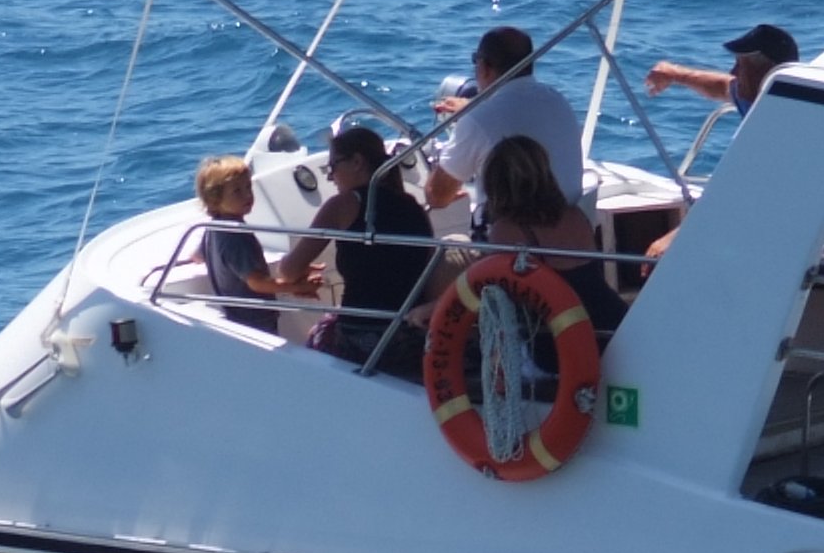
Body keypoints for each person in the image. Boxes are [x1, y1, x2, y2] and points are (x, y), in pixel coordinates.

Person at [286, 123, 434, 374]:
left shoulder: (343, 205)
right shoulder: (412, 206)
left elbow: (288, 269)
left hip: (364, 336)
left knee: (314, 339)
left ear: (357, 162)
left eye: (332, 167)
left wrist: (299, 279)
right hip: (413, 335)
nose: (331, 177)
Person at [426, 24, 584, 217]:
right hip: (566, 234)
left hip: (512, 240)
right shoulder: (558, 100)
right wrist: (472, 108)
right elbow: (517, 111)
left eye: (476, 60)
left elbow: (436, 197)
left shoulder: (477, 121)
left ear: (484, 67)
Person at [473, 135, 626, 334]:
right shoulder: (576, 216)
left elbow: (483, 292)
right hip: (612, 321)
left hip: (563, 337)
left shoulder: (506, 231)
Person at [191, 152, 285, 334]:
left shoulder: (213, 228)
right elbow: (257, 283)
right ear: (215, 198)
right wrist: (297, 286)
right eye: (237, 191)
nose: (248, 195)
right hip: (257, 321)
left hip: (237, 319)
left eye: (248, 187)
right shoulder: (236, 235)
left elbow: (197, 257)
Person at [640, 20, 803, 110]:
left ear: (767, 74)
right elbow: (722, 86)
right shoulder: (754, 96)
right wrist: (674, 74)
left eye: (742, 66)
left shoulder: (792, 113)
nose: (733, 73)